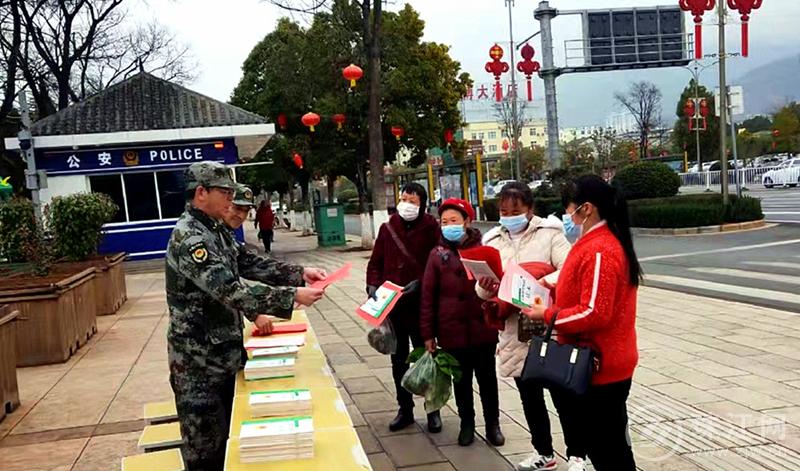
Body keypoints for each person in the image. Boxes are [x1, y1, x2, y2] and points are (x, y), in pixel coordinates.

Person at [165, 163, 325, 470]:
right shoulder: (190, 238)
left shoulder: (214, 230)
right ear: (201, 193)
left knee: (230, 444)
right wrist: (291, 297)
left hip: (223, 356)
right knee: (206, 455)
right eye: (224, 193)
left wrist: (299, 273)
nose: (230, 200)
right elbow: (229, 290)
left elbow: (247, 261)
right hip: (198, 366)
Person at [521, 175, 640, 471]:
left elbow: (594, 312)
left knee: (608, 450)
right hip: (594, 364)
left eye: (569, 208)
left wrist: (546, 316)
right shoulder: (593, 242)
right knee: (607, 446)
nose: (566, 216)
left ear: (586, 209)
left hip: (600, 367)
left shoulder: (600, 249)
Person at [476, 182, 586, 471]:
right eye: (503, 210)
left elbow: (570, 270)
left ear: (529, 209)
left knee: (563, 394)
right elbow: (482, 290)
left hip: (549, 325)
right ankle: (544, 452)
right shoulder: (492, 240)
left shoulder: (550, 235)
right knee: (530, 397)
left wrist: (541, 280)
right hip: (515, 331)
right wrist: (485, 287)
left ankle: (576, 455)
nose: (508, 215)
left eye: (515, 210)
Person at [419, 199, 504, 447]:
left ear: (467, 221)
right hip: (451, 330)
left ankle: (493, 425)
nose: (448, 226)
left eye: (454, 221)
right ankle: (467, 424)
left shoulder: (484, 249)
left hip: (482, 329)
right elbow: (427, 296)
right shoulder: (437, 255)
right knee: (461, 381)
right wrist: (428, 334)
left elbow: (500, 284)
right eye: (444, 222)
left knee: (488, 380)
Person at [366, 182, 441, 433]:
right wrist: (372, 285)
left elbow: (437, 260)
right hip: (394, 306)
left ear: (423, 204)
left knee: (425, 358)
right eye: (404, 199)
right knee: (398, 361)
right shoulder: (388, 227)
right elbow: (376, 261)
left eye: (413, 201)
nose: (407, 205)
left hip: (421, 306)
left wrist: (422, 282)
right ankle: (405, 409)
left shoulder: (431, 227)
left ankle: (433, 409)